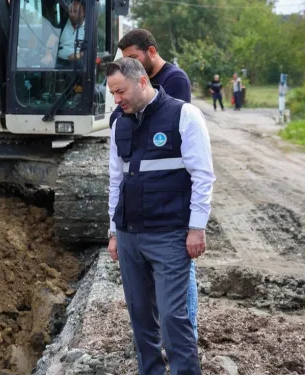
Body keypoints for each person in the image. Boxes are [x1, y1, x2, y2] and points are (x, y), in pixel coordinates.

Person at [106, 57, 215, 375]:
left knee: (172, 317)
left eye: (120, 91)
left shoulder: (184, 115)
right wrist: (113, 231)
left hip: (169, 235)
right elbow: (116, 181)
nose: (117, 100)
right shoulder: (118, 124)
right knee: (140, 318)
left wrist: (197, 227)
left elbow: (203, 176)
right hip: (129, 237)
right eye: (112, 93)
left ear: (142, 82)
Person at [109, 28, 200, 343]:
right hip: (138, 213)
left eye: (133, 58)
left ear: (150, 51)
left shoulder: (175, 81)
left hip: (170, 203)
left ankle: (186, 333)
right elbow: (116, 120)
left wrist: (196, 225)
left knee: (178, 281)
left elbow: (168, 131)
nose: (128, 66)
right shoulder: (129, 93)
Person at [41, 0, 86, 68]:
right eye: (70, 12)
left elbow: (90, 49)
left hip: (76, 63)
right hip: (59, 60)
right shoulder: (64, 22)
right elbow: (52, 39)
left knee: (80, 66)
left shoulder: (88, 27)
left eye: (75, 11)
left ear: (83, 12)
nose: (72, 15)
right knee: (44, 64)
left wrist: (78, 55)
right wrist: (48, 54)